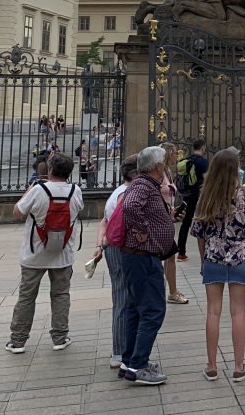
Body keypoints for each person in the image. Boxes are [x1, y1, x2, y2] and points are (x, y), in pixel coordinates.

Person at [6, 152, 83, 355]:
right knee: (60, 295)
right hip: (63, 254)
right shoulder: (75, 191)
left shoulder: (38, 190)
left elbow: (17, 212)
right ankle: (59, 337)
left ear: (50, 170)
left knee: (26, 297)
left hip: (34, 254)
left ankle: (18, 341)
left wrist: (28, 191)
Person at [190, 147, 245, 383]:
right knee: (238, 312)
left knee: (213, 311)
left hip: (213, 256)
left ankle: (211, 366)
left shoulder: (206, 194)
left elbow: (198, 232)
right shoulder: (244, 195)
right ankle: (239, 367)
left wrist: (203, 258)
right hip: (239, 256)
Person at [119, 145, 176, 385]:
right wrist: (142, 230)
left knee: (136, 310)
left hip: (140, 257)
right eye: (165, 162)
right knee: (153, 311)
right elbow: (130, 206)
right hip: (142, 257)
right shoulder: (143, 185)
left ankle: (129, 361)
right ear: (158, 166)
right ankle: (138, 366)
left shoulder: (146, 185)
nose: (167, 165)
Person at [93, 156, 138, 370]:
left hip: (113, 247)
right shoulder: (125, 194)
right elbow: (119, 225)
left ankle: (124, 348)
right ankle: (119, 351)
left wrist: (100, 245)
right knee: (122, 299)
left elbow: (104, 220)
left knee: (125, 297)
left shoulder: (120, 191)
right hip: (120, 249)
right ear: (134, 174)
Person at [158, 142, 189, 305]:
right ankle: (171, 292)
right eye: (175, 153)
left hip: (167, 217)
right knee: (169, 256)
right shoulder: (158, 173)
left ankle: (169, 290)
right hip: (161, 220)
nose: (177, 156)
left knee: (169, 257)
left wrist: (173, 210)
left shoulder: (167, 172)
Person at [176, 138, 210, 262]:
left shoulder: (188, 159)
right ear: (202, 148)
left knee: (185, 223)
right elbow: (207, 179)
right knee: (205, 221)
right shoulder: (203, 162)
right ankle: (207, 250)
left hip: (187, 195)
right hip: (198, 195)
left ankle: (181, 252)